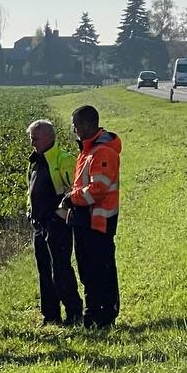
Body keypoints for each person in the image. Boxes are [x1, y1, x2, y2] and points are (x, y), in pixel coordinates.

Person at [61, 105, 121, 329]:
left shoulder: (102, 152)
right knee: (87, 270)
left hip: (98, 222)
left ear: (86, 125)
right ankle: (93, 314)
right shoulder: (88, 150)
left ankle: (105, 315)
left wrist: (71, 198)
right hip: (85, 220)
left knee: (100, 270)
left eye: (76, 126)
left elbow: (98, 189)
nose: (74, 130)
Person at [26, 118, 83, 326]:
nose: (32, 143)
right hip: (39, 224)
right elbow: (30, 190)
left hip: (57, 224)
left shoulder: (64, 159)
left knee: (60, 269)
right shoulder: (35, 161)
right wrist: (30, 212)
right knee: (44, 271)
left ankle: (74, 313)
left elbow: (73, 192)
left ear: (49, 138)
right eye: (31, 139)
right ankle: (50, 316)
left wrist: (58, 216)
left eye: (35, 139)